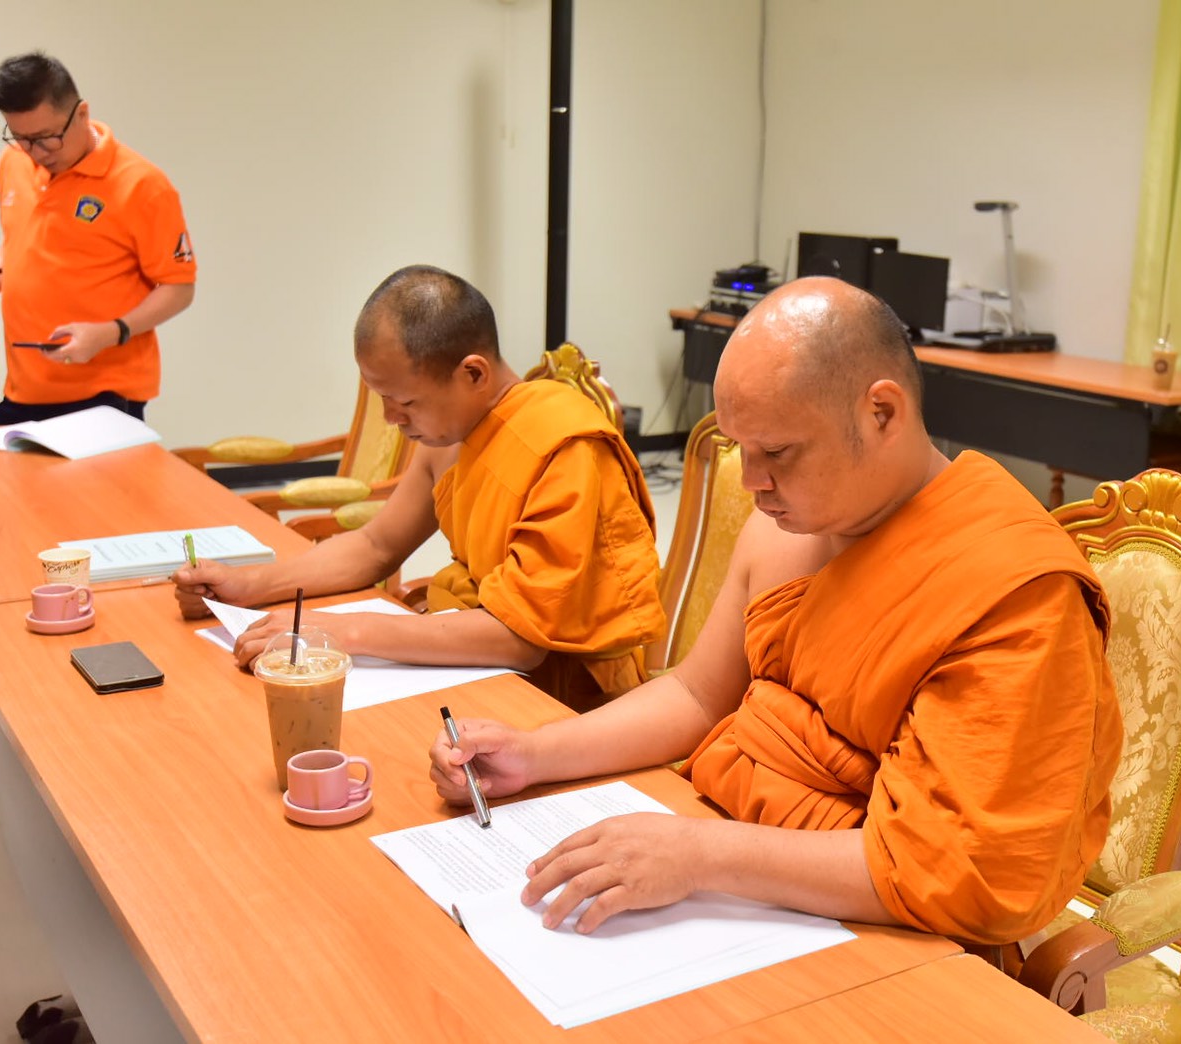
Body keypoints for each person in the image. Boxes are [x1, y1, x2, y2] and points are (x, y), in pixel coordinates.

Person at [430, 277, 1122, 949]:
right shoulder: (791, 523)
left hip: (893, 932)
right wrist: (533, 754)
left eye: (778, 453)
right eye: (741, 450)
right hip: (735, 865)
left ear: (882, 413)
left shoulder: (1011, 590)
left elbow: (954, 871)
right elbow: (697, 695)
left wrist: (699, 854)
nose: (752, 483)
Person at [175, 265, 665, 712]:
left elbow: (519, 637)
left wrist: (342, 631)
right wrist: (248, 587)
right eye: (382, 398)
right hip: (471, 665)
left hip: (566, 701)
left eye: (405, 402)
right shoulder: (451, 434)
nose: (391, 419)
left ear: (473, 373)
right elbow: (376, 545)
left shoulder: (565, 450)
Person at [0, 52, 196, 424]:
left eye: (47, 138)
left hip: (104, 394)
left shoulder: (142, 185)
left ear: (82, 113)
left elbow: (179, 287)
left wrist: (111, 332)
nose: (36, 153)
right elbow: (22, 240)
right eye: (21, 138)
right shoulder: (14, 162)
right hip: (25, 389)